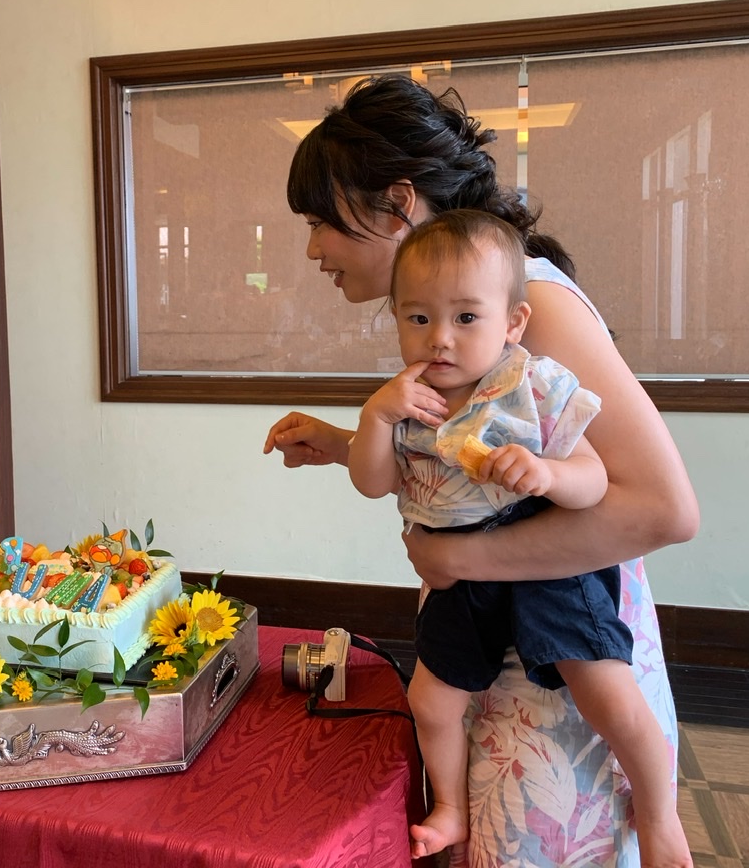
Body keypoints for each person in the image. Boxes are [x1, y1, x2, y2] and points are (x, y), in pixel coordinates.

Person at [263, 75, 699, 868]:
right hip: (495, 643)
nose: (312, 248)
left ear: (398, 204)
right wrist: (337, 440)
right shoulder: (457, 319)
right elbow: (458, 451)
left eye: (323, 221)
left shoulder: (532, 298)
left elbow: (663, 510)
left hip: (564, 673)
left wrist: (461, 558)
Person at [347, 211, 690, 866]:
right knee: (429, 699)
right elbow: (374, 481)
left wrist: (547, 473)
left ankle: (658, 814)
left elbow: (594, 479)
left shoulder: (532, 386)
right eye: (417, 319)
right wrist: (373, 418)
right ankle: (449, 808)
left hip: (546, 562)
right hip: (462, 584)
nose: (439, 339)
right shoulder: (409, 400)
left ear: (513, 323)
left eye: (465, 319)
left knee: (607, 692)